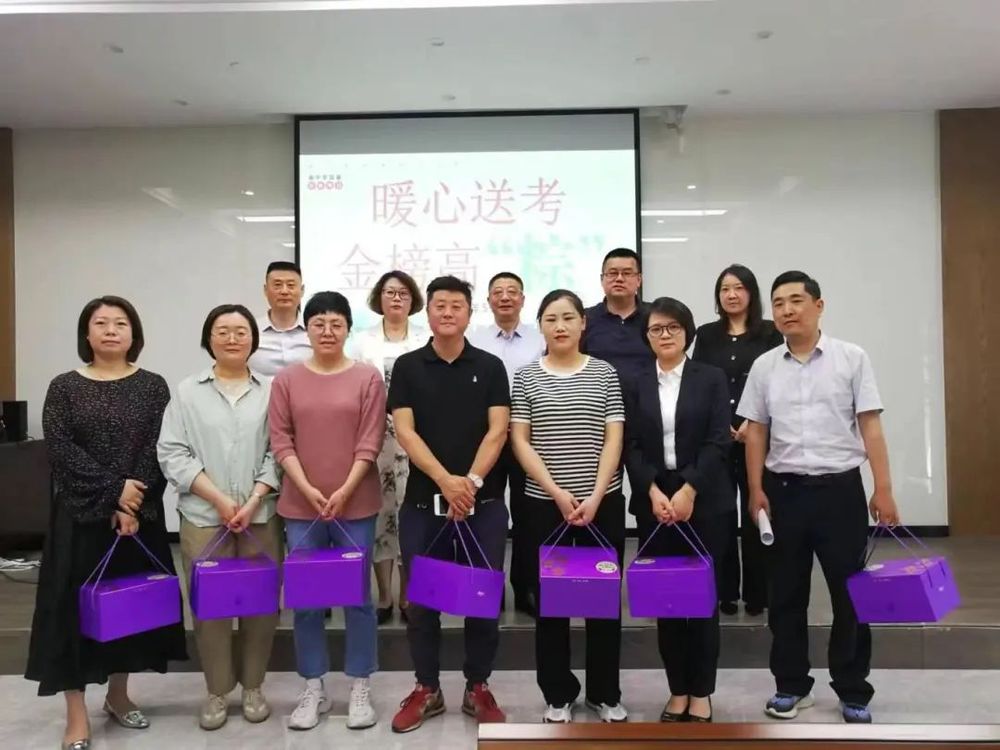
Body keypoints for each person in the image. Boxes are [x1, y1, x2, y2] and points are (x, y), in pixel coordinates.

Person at [737, 271, 900, 725]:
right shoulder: (765, 366)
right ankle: (791, 686)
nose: (787, 310)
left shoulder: (851, 358)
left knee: (851, 596)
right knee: (786, 596)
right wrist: (755, 489)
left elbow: (870, 425)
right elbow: (756, 432)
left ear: (819, 305)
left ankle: (852, 689)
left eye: (796, 300)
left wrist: (883, 488)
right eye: (778, 303)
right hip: (783, 493)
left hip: (840, 492)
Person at [25, 296, 187, 750]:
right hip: (80, 517)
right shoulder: (64, 387)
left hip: (137, 516)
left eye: (120, 323)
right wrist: (113, 492)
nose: (111, 330)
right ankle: (76, 715)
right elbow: (61, 450)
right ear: (87, 333)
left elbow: (159, 446)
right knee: (71, 612)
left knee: (127, 608)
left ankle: (118, 694)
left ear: (134, 334)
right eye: (101, 323)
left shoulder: (153, 386)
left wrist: (131, 503)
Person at [387, 276, 511, 733]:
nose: (447, 312)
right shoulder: (407, 366)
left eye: (457, 305)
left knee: (482, 598)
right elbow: (405, 431)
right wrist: (445, 482)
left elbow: (498, 430)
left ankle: (478, 686)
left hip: (485, 503)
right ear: (428, 312)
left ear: (469, 314)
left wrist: (471, 483)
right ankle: (427, 688)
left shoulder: (491, 366)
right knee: (423, 602)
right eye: (439, 304)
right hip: (424, 504)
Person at [157, 304, 283, 731]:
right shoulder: (187, 391)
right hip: (203, 517)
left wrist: (252, 499)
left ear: (253, 339)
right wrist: (219, 499)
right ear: (208, 338)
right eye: (222, 330)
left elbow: (279, 451)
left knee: (260, 607)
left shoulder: (271, 391)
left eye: (241, 331)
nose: (232, 338)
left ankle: (253, 687)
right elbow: (172, 451)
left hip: (260, 516)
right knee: (210, 608)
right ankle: (216, 690)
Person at [269, 291, 386, 731]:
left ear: (348, 329)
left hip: (356, 504)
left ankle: (359, 683)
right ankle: (313, 686)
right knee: (306, 600)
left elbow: (370, 441)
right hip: (302, 508)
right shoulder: (287, 380)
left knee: (358, 597)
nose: (327, 331)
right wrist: (309, 490)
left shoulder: (367, 378)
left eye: (336, 323)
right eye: (318, 323)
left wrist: (343, 490)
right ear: (307, 328)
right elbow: (281, 440)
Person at [510, 289, 628, 724]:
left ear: (583, 323)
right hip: (545, 506)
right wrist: (557, 493)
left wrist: (595, 495)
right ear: (540, 326)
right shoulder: (526, 377)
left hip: (602, 504)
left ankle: (604, 693)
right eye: (550, 318)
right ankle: (558, 693)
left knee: (603, 603)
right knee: (550, 605)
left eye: (567, 317)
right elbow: (521, 440)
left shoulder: (605, 373)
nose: (559, 326)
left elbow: (614, 436)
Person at [624, 297, 733, 724]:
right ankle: (678, 689)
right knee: (666, 600)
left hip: (704, 500)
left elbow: (718, 440)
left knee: (702, 599)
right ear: (647, 336)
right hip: (655, 503)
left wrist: (689, 488)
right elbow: (630, 444)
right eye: (656, 329)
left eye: (672, 327)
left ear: (687, 332)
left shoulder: (711, 378)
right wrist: (652, 489)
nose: (664, 335)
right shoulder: (635, 381)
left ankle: (702, 691)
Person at [693, 264, 784, 617]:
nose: (731, 295)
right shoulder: (706, 334)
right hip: (718, 439)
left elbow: (777, 383)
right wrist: (721, 425)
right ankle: (725, 592)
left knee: (757, 513)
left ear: (751, 293)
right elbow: (699, 382)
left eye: (738, 288)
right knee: (719, 517)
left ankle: (759, 593)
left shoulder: (770, 333)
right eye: (724, 289)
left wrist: (752, 421)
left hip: (757, 437)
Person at [351, 271, 428, 625]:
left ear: (413, 300)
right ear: (378, 298)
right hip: (374, 437)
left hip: (419, 437)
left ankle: (408, 594)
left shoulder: (427, 338)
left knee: (412, 514)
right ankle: (383, 594)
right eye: (389, 292)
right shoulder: (360, 341)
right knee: (381, 513)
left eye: (403, 293)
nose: (396, 298)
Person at [469, 271, 545, 617]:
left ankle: (525, 586)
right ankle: (491, 586)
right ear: (488, 301)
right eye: (497, 291)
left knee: (530, 514)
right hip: (487, 438)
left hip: (531, 437)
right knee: (488, 512)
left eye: (512, 291)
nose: (505, 297)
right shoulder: (474, 339)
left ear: (523, 299)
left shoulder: (540, 339)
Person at [581, 248, 653, 389]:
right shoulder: (585, 319)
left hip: (647, 399)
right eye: (613, 273)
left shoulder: (655, 317)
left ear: (639, 280)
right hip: (598, 398)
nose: (619, 279)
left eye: (627, 273)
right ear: (602, 279)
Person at [247, 260, 311, 377]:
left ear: (302, 290)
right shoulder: (249, 330)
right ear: (265, 290)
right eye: (277, 285)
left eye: (291, 285)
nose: (284, 291)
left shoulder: (315, 330)